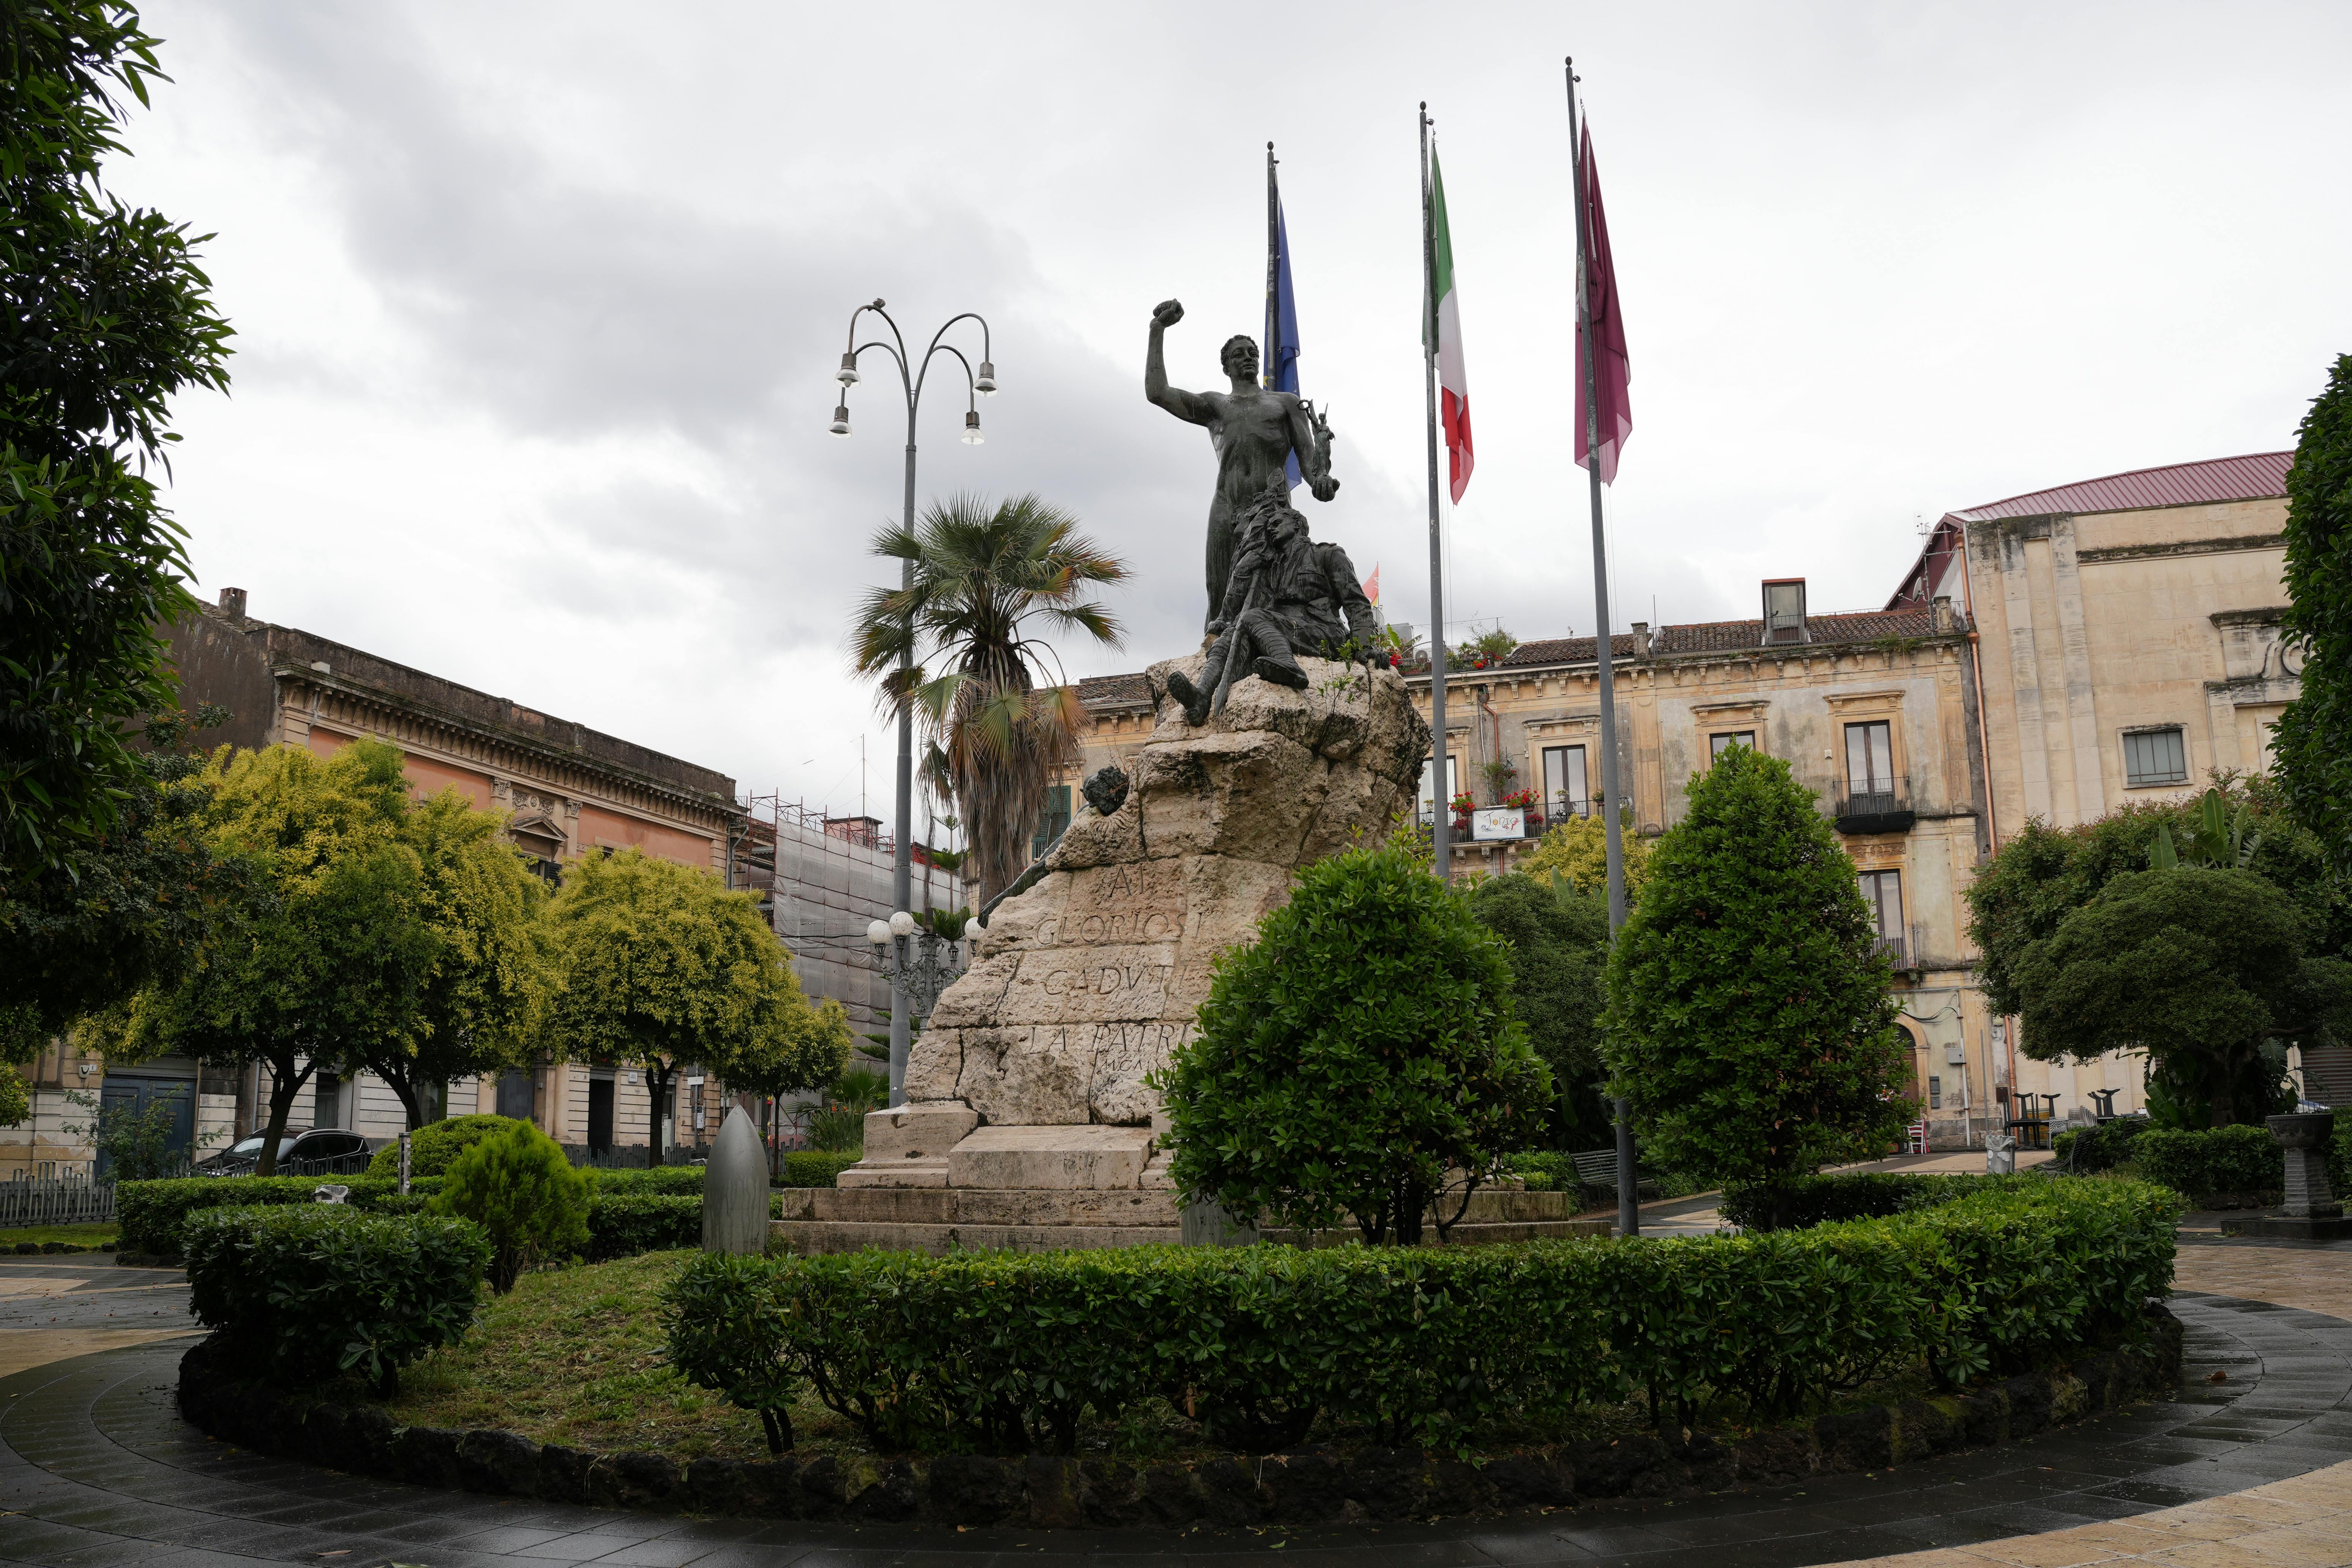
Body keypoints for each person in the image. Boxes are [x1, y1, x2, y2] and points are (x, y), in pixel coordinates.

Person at [1144, 299, 1339, 629]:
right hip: (1226, 506)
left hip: (1271, 512)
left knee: (1271, 593)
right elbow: (1158, 392)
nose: (1248, 357)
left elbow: (1311, 467)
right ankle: (1212, 662)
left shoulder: (1286, 404)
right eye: (1239, 354)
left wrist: (1322, 481)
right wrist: (1157, 331)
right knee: (1219, 595)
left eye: (1252, 353)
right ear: (1227, 367)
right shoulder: (1215, 405)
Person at [1165, 484, 1378, 727]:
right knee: (1229, 637)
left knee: (1253, 619)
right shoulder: (1271, 567)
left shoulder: (1327, 556)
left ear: (1296, 524)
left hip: (1324, 632)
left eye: (1276, 524)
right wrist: (1246, 566)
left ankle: (1290, 667)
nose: (1271, 529)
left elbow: (1357, 603)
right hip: (1284, 629)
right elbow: (1244, 606)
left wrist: (1363, 646)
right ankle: (1201, 697)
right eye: (1269, 527)